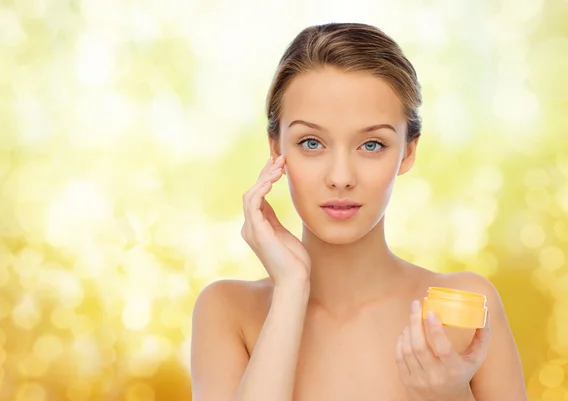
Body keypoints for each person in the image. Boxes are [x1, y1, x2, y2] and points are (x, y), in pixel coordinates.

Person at [190, 22, 527, 401]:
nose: (340, 177)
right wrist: (290, 290)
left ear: (408, 151)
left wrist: (449, 396)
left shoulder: (461, 308)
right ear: (276, 149)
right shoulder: (228, 313)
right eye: (311, 142)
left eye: (371, 144)